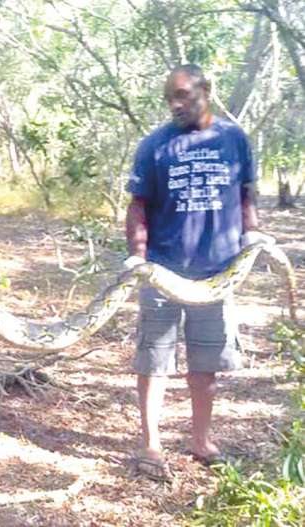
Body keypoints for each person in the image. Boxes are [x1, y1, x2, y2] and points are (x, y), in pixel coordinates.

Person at [124, 64, 270, 481]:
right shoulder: (155, 145)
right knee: (154, 359)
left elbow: (246, 195)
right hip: (163, 269)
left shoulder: (233, 139)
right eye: (169, 96)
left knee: (205, 362)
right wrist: (139, 257)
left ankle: (201, 440)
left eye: (183, 95)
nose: (175, 104)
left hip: (218, 272)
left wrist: (253, 235)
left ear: (206, 91)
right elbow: (138, 206)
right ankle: (151, 444)